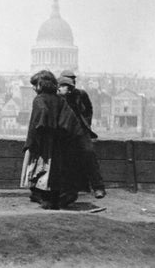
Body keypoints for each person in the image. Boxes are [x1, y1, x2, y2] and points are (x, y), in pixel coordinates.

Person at [20, 70, 84, 210]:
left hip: (42, 142)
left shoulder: (39, 99)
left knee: (40, 170)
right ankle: (54, 200)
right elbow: (71, 121)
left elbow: (39, 119)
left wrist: (35, 137)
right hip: (58, 143)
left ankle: (44, 199)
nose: (33, 88)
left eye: (35, 84)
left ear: (41, 85)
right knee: (55, 171)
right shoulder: (60, 99)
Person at [59, 70, 106, 199]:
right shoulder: (59, 97)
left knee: (89, 152)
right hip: (66, 133)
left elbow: (89, 109)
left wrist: (86, 124)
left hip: (80, 131)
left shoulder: (80, 94)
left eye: (72, 80)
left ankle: (98, 187)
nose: (70, 83)